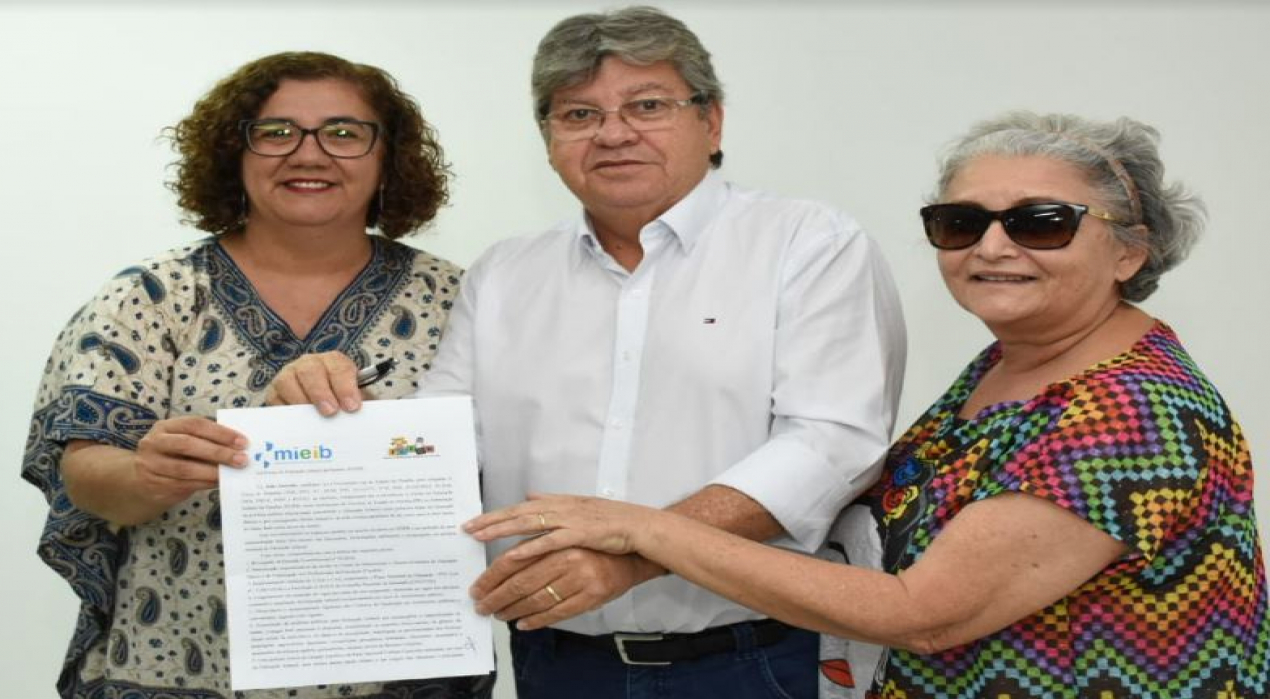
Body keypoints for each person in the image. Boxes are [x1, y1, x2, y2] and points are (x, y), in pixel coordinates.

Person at [465, 111, 1270, 699]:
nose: (992, 246)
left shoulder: (1132, 409)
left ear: (1130, 250)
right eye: (960, 222)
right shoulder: (1013, 364)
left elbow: (922, 613)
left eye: (1040, 223)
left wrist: (646, 529)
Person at [269, 7, 906, 698]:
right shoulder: (504, 273)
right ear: (548, 138)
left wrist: (638, 551)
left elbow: (830, 445)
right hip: (556, 661)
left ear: (712, 121)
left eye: (648, 105)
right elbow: (444, 450)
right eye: (579, 114)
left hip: (750, 661)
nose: (614, 133)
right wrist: (332, 418)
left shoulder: (807, 244)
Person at [21, 51, 493, 699]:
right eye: (276, 132)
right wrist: (146, 475)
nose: (309, 153)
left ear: (389, 156)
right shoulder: (151, 295)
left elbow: (508, 467)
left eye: (344, 132)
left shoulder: (459, 299)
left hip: (397, 670)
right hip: (183, 665)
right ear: (232, 153)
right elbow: (84, 473)